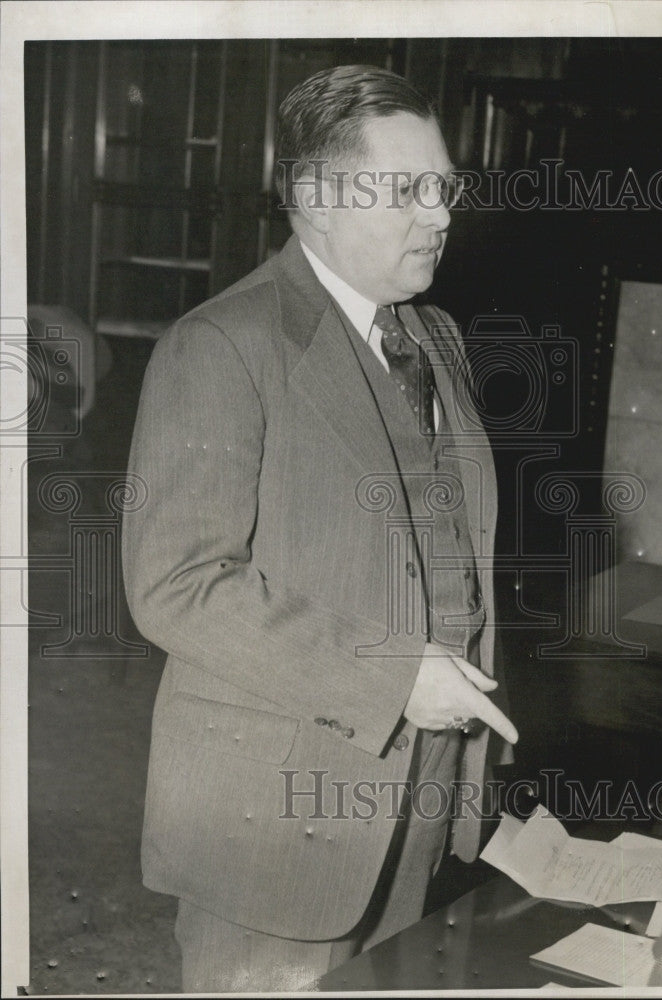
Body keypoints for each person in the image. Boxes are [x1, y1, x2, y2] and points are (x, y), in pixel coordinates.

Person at [122, 63, 518, 992]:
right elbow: (175, 586)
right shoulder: (221, 346)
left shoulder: (432, 335)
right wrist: (395, 679)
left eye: (446, 187)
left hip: (417, 796)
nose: (442, 214)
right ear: (314, 200)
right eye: (408, 189)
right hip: (272, 821)